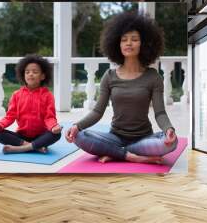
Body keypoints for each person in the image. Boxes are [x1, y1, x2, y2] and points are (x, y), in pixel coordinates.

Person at [65, 12, 178, 164]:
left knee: (172, 142)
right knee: (79, 136)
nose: (128, 43)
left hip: (143, 138)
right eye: (124, 40)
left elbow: (160, 113)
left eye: (134, 39)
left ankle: (114, 152)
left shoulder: (153, 77)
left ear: (143, 44)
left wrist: (169, 129)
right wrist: (77, 126)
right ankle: (131, 156)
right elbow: (98, 111)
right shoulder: (109, 76)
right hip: (115, 137)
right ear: (117, 44)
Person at [0, 55, 62, 154]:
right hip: (21, 136)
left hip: (41, 136)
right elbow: (10, 117)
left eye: (35, 72)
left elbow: (49, 117)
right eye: (27, 72)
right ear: (23, 75)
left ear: (43, 76)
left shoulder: (48, 95)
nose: (30, 74)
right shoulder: (16, 95)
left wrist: (54, 127)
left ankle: (21, 148)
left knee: (56, 134)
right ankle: (35, 147)